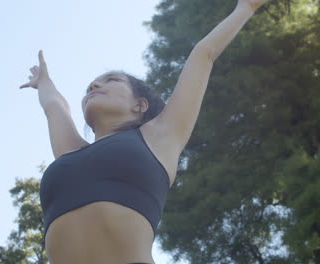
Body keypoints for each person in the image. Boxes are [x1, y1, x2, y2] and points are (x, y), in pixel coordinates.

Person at [19, 0, 269, 263]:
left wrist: (246, 7)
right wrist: (44, 82)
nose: (93, 84)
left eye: (111, 80)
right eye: (91, 86)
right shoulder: (71, 152)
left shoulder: (159, 136)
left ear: (140, 105)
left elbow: (203, 54)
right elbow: (55, 108)